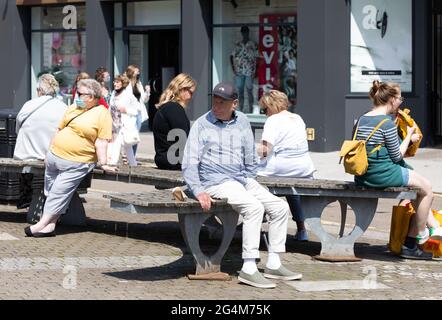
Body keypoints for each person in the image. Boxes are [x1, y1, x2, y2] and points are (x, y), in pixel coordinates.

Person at [182, 82, 301, 289]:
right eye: (214, 101)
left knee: (280, 207)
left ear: (234, 104)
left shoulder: (243, 121)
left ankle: (274, 262)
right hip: (215, 181)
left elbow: (249, 155)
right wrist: (199, 191)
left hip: (241, 179)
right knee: (254, 208)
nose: (216, 106)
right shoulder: (202, 124)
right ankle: (248, 267)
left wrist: (249, 178)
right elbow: (189, 162)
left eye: (222, 103)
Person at [355, 80, 442, 259]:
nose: (401, 101)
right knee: (427, 190)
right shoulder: (386, 123)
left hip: (363, 173)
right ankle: (414, 240)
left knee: (418, 184)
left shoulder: (362, 118)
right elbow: (397, 156)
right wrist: (409, 136)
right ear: (392, 100)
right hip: (382, 174)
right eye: (400, 97)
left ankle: (431, 227)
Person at [24, 79, 117, 237]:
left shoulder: (102, 113)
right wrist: (48, 152)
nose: (77, 96)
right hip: (54, 157)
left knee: (58, 193)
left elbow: (101, 141)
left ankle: (40, 224)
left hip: (77, 161)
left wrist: (104, 163)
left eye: (81, 94)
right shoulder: (74, 107)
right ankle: (50, 226)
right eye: (76, 92)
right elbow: (59, 130)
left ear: (93, 97)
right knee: (51, 191)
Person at [257, 90, 315, 241]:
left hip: (281, 168)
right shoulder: (298, 118)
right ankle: (301, 229)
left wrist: (251, 150)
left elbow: (265, 150)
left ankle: (256, 219)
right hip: (304, 169)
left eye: (265, 109)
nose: (265, 113)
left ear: (272, 106)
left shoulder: (273, 120)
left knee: (251, 180)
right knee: (292, 190)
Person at [14, 74, 68, 209]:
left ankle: (25, 195)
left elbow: (17, 128)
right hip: (52, 154)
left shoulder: (29, 105)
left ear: (39, 90)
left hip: (27, 153)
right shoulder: (63, 107)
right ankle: (52, 199)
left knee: (23, 156)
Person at [152, 73, 196, 170]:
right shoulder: (174, 108)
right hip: (173, 160)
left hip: (166, 159)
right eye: (191, 93)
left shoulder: (168, 107)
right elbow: (184, 137)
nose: (191, 97)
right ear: (182, 89)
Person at [108, 74, 139, 166]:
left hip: (124, 124)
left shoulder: (128, 95)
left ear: (123, 83)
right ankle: (133, 164)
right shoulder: (113, 93)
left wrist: (126, 110)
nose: (115, 84)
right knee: (127, 146)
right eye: (114, 82)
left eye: (117, 82)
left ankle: (112, 163)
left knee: (117, 143)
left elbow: (136, 110)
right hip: (115, 123)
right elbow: (111, 107)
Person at [230, 26, 258, 113]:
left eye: (246, 32)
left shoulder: (253, 44)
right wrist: (233, 68)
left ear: (248, 33)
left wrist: (255, 70)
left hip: (249, 71)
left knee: (249, 90)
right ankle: (241, 110)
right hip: (239, 71)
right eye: (243, 32)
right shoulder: (238, 44)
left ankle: (251, 110)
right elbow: (231, 56)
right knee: (240, 91)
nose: (245, 34)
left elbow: (257, 57)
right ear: (241, 33)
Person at [124, 65, 150, 156]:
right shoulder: (126, 84)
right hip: (129, 113)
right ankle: (127, 156)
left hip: (138, 113)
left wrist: (147, 92)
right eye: (136, 71)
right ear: (131, 72)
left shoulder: (139, 83)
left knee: (135, 136)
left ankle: (132, 157)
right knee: (130, 135)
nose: (138, 73)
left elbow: (144, 99)